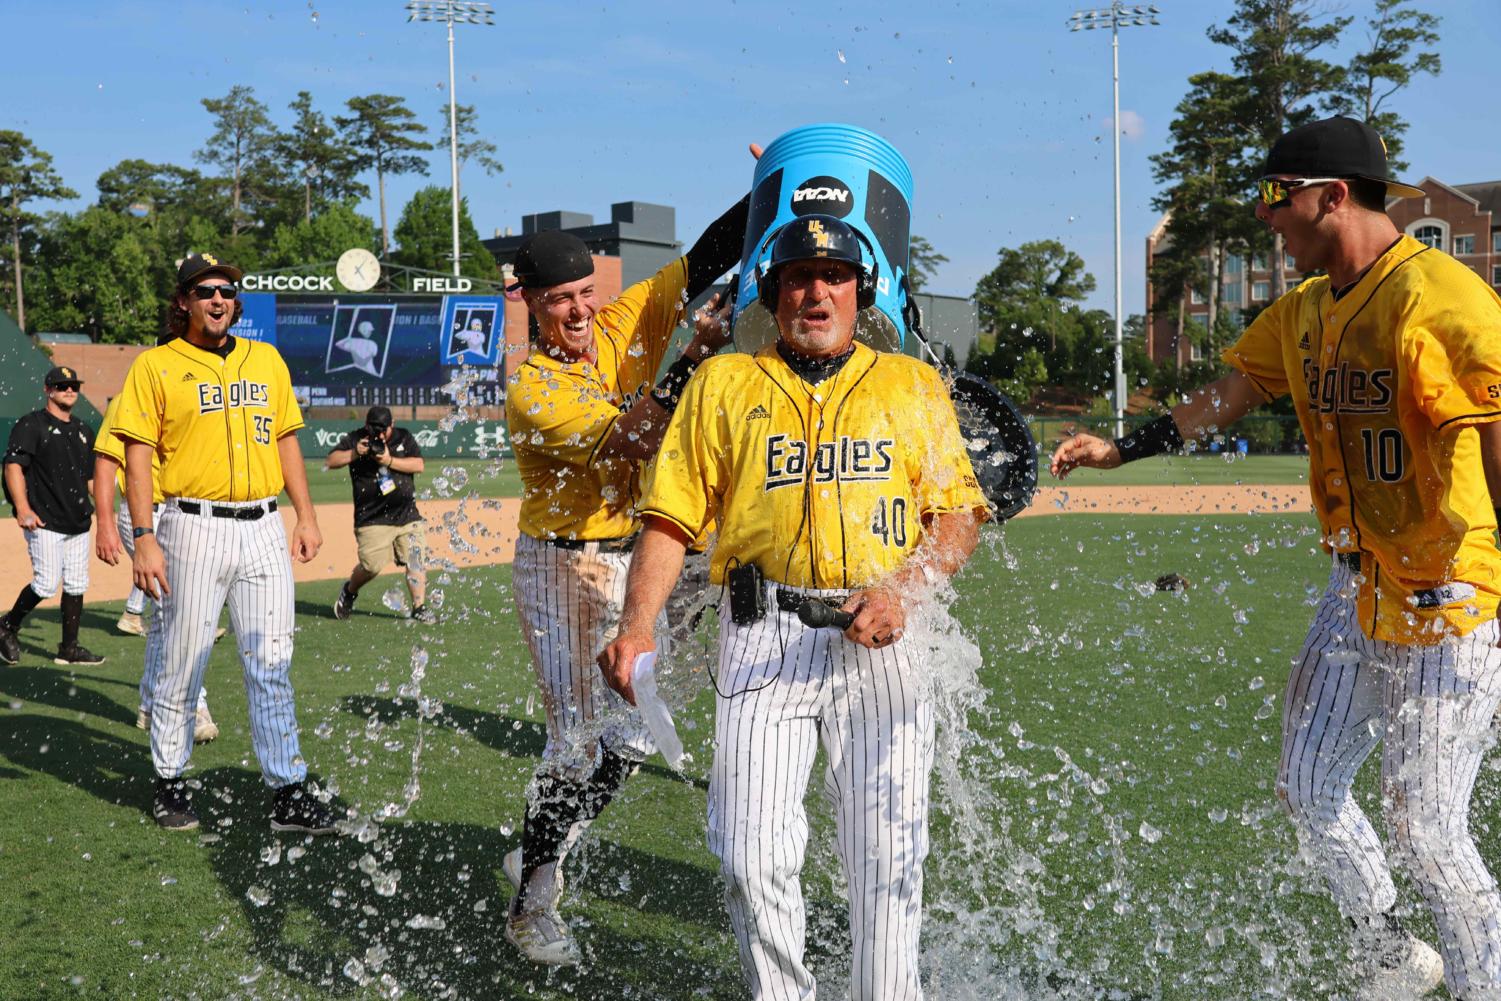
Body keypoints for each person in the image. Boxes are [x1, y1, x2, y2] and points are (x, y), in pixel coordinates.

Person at [1050, 116, 1501, 1000]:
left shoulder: (1440, 299)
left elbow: (1494, 434)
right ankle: (1389, 953)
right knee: (1306, 785)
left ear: (1331, 197)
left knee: (1426, 833)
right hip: (1355, 582)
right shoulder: (1300, 311)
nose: (1266, 216)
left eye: (1275, 195)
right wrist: (1123, 446)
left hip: (1450, 593)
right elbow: (1231, 393)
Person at [599, 214, 990, 1000]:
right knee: (747, 851)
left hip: (877, 633)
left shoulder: (910, 383)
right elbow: (670, 518)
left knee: (886, 854)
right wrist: (635, 624)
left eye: (834, 276)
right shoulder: (721, 382)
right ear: (772, 293)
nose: (815, 291)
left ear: (860, 292)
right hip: (761, 634)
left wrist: (903, 590)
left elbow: (956, 514)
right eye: (797, 278)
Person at [500, 187, 748, 966]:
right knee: (574, 744)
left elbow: (711, 251)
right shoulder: (532, 387)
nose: (576, 311)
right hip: (561, 565)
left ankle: (544, 843)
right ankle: (530, 903)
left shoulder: (625, 316)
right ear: (530, 305)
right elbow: (640, 437)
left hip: (632, 556)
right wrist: (697, 354)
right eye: (557, 300)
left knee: (634, 734)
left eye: (583, 294)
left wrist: (780, 179)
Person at [113, 252, 338, 836]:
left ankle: (288, 790)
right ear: (184, 300)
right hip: (192, 525)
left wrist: (306, 517)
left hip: (263, 524)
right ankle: (170, 779)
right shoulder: (156, 366)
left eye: (228, 291)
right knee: (183, 661)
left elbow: (287, 440)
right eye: (205, 290)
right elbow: (136, 460)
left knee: (272, 662)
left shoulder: (265, 359)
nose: (218, 299)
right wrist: (142, 536)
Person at [93, 394, 220, 743]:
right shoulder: (134, 393)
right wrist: (104, 523)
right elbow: (106, 461)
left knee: (167, 613)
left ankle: (150, 704)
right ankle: (192, 706)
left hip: (186, 512)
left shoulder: (200, 389)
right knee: (182, 610)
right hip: (145, 513)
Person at [0, 366, 104, 667]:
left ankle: (69, 649)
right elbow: (13, 467)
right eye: (61, 386)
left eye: (73, 385)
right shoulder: (32, 424)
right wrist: (22, 508)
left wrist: (108, 511)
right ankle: (7, 626)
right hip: (44, 520)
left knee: (76, 583)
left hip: (78, 521)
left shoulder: (84, 430)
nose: (68, 390)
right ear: (48, 390)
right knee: (46, 584)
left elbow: (89, 478)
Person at [327, 405, 432, 623]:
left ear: (392, 425)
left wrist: (389, 461)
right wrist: (356, 452)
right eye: (375, 430)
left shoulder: (404, 437)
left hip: (406, 515)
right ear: (367, 426)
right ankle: (349, 591)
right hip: (372, 518)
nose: (379, 435)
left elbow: (419, 465)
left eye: (383, 430)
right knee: (371, 566)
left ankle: (420, 607)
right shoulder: (357, 438)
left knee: (416, 559)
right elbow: (331, 461)